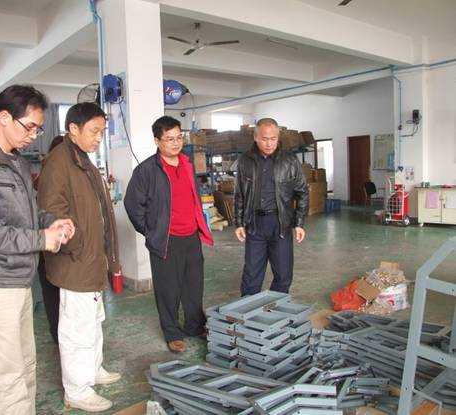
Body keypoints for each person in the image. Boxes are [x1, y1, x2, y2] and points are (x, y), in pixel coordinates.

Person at [0, 84, 75, 415]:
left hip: (17, 281)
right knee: (7, 378)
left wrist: (52, 222)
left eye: (38, 129)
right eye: (29, 127)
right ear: (4, 117)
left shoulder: (17, 162)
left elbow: (27, 214)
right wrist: (40, 239)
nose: (33, 135)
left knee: (25, 368)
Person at [37, 103, 122, 413]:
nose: (99, 137)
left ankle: (93, 369)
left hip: (91, 258)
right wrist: (78, 247)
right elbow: (51, 213)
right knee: (76, 330)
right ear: (73, 129)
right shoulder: (59, 163)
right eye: (94, 131)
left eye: (102, 131)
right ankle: (77, 390)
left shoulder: (82, 158)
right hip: (76, 261)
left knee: (94, 321)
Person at [124, 115, 213, 354]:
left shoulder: (187, 164)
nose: (175, 143)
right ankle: (172, 332)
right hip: (166, 240)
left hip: (191, 236)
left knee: (193, 286)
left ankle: (194, 326)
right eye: (169, 139)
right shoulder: (146, 171)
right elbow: (133, 205)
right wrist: (152, 231)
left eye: (178, 138)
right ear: (157, 141)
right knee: (168, 289)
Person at [234, 117, 309, 296]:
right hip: (255, 224)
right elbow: (240, 194)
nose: (269, 144)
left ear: (278, 137)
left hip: (280, 223)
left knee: (283, 273)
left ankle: (275, 308)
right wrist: (239, 223)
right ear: (256, 137)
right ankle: (249, 310)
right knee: (251, 274)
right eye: (264, 139)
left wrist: (299, 223)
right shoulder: (245, 161)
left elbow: (302, 192)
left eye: (273, 139)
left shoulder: (290, 161)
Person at [35, 135, 65, 344]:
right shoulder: (50, 174)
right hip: (49, 243)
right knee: (53, 291)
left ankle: (58, 333)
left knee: (54, 292)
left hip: (57, 241)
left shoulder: (45, 172)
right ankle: (57, 333)